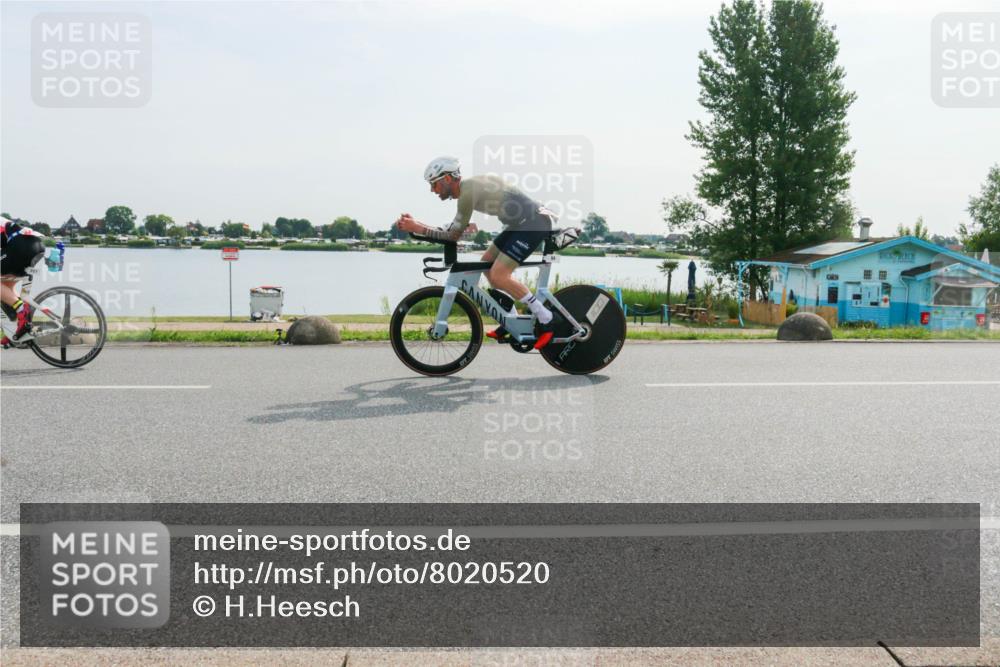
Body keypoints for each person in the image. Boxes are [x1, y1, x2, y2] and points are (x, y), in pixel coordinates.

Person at [394, 156, 564, 349]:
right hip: (521, 224)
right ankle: (512, 319)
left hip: (534, 223)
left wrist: (417, 226)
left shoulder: (468, 193)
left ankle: (547, 318)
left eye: (434, 184)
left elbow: (452, 237)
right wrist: (417, 226)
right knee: (486, 264)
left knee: (499, 275)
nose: (433, 190)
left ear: (447, 179)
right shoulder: (469, 189)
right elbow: (451, 232)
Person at [1, 216, 46, 345]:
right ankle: (15, 331)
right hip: (35, 246)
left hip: (21, 245)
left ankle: (22, 311)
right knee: (5, 287)